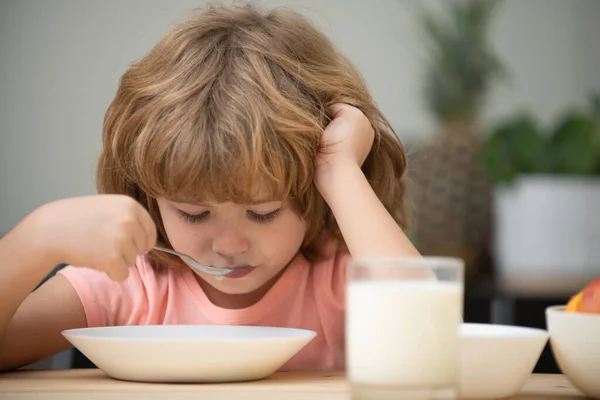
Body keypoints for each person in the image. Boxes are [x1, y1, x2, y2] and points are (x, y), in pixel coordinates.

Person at [0, 3, 419, 372]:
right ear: (150, 197)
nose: (229, 245)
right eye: (193, 213)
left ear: (315, 197)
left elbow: (429, 340)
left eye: (264, 212)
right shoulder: (131, 283)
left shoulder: (338, 280)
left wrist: (339, 169)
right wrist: (36, 238)